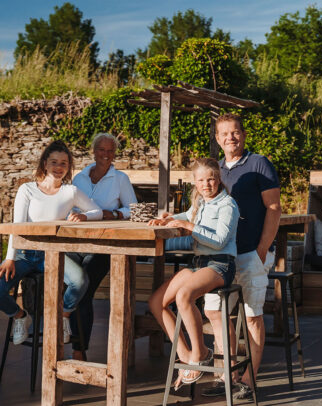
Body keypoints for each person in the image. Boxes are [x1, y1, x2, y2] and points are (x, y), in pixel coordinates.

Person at [202, 113, 281, 400]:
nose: (230, 138)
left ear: (243, 135)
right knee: (214, 311)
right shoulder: (217, 169)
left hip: (251, 254)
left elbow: (273, 209)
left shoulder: (259, 163)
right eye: (224, 133)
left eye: (234, 132)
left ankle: (249, 379)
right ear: (217, 138)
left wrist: (262, 250)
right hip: (222, 256)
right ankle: (228, 374)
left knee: (251, 317)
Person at [148, 158, 240, 389]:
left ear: (218, 179)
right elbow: (189, 215)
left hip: (220, 264)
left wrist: (191, 228)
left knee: (184, 296)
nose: (206, 184)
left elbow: (219, 242)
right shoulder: (201, 202)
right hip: (200, 263)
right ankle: (186, 354)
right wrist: (170, 218)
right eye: (201, 180)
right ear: (195, 183)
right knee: (157, 302)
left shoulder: (227, 205)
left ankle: (200, 353)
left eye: (210, 179)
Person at [0, 140, 103, 345]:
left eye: (64, 163)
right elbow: (17, 227)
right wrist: (9, 258)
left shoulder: (70, 192)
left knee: (80, 280)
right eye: (54, 162)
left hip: (52, 255)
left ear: (68, 167)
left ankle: (63, 316)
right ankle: (20, 316)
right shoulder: (27, 189)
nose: (58, 167)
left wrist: (84, 217)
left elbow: (97, 211)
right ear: (45, 163)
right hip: (24, 254)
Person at [68, 133, 137, 361]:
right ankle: (68, 341)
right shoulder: (79, 178)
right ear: (94, 151)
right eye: (101, 150)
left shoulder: (120, 179)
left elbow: (134, 210)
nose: (106, 155)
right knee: (69, 287)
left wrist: (114, 213)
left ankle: (79, 350)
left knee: (84, 288)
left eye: (110, 151)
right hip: (75, 242)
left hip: (104, 245)